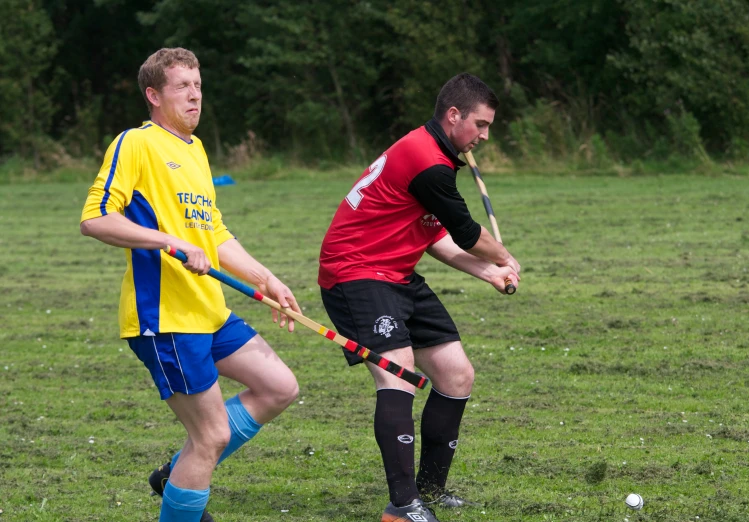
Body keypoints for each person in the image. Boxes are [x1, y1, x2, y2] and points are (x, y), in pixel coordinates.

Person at [80, 48, 301, 522]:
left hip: (209, 310)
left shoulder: (196, 150)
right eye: (182, 86)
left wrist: (267, 280)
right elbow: (96, 218)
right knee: (212, 436)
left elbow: (213, 232)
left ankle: (177, 473)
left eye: (198, 85)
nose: (195, 95)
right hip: (166, 316)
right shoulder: (136, 144)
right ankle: (187, 476)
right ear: (153, 95)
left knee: (279, 386)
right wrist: (166, 241)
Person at [318, 73, 521, 522]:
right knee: (399, 376)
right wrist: (505, 256)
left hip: (395, 272)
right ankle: (402, 505)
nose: (485, 136)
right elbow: (468, 234)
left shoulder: (434, 155)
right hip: (355, 273)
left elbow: (435, 238)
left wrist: (489, 272)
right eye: (481, 125)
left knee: (456, 375)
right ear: (453, 116)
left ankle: (430, 490)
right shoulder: (427, 161)